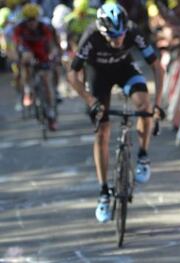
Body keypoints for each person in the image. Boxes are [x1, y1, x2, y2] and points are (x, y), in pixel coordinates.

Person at [67, 3, 165, 223]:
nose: (118, 40)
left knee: (144, 105)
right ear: (102, 31)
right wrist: (89, 99)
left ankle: (143, 156)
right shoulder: (91, 35)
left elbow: (157, 67)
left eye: (121, 36)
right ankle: (103, 192)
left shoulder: (132, 31)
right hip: (98, 75)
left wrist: (158, 105)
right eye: (112, 37)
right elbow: (72, 74)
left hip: (124, 69)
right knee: (102, 130)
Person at [13, 3, 58, 130]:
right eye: (29, 20)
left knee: (46, 81)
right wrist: (18, 58)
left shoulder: (45, 27)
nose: (31, 23)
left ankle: (50, 113)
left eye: (34, 19)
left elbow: (51, 45)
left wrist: (52, 55)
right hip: (28, 53)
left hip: (42, 54)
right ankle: (27, 90)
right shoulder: (19, 29)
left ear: (38, 18)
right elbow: (17, 45)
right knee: (25, 61)